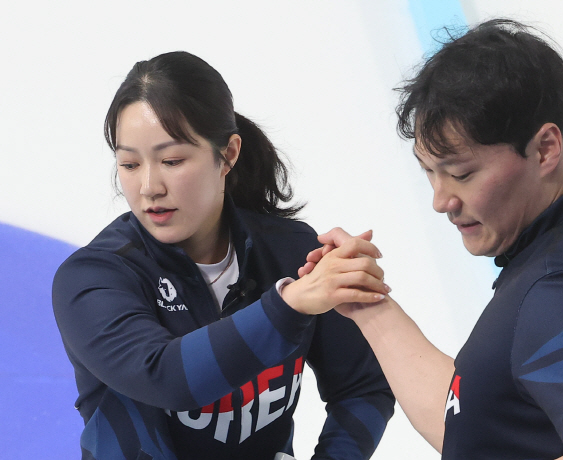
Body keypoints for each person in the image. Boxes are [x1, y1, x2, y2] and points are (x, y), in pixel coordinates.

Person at [291, 19, 563, 460]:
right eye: (428, 172)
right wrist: (367, 304)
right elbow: (471, 423)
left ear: (546, 149)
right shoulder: (553, 257)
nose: (441, 200)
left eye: (461, 173)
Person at [52, 51, 394, 460]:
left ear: (228, 154)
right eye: (128, 164)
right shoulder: (93, 277)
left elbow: (363, 387)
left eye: (172, 160)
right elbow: (166, 378)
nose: (148, 187)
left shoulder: (289, 252)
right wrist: (290, 305)